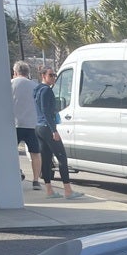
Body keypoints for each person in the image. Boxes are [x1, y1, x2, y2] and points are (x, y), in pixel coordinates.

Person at [33, 66, 82, 199]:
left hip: (39, 127)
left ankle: (49, 190)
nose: (54, 77)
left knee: (46, 159)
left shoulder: (37, 90)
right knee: (62, 157)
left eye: (54, 75)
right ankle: (68, 190)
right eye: (51, 75)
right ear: (43, 76)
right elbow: (46, 111)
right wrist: (54, 130)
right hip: (47, 127)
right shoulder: (46, 90)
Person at [11, 61, 42, 190]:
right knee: (35, 153)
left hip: (15, 124)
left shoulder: (11, 84)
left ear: (15, 72)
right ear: (28, 73)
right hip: (32, 124)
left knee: (11, 152)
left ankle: (17, 172)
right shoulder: (35, 86)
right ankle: (36, 181)